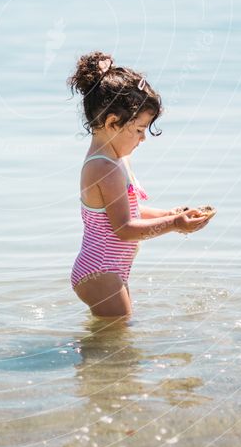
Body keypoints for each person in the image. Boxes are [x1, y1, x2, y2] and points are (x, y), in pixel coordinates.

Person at [67, 50, 212, 320]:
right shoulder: (104, 168)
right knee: (116, 337)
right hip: (101, 272)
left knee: (115, 334)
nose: (143, 138)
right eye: (139, 129)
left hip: (107, 269)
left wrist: (170, 214)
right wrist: (174, 225)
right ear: (112, 123)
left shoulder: (115, 160)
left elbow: (128, 212)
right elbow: (124, 229)